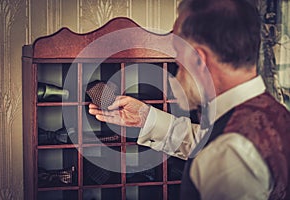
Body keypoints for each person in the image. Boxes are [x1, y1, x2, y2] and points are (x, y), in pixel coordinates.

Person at [89, 0, 290, 199]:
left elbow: (220, 150)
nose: (176, 63)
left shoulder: (230, 152)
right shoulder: (275, 115)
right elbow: (202, 142)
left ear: (198, 59)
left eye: (178, 52)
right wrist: (145, 118)